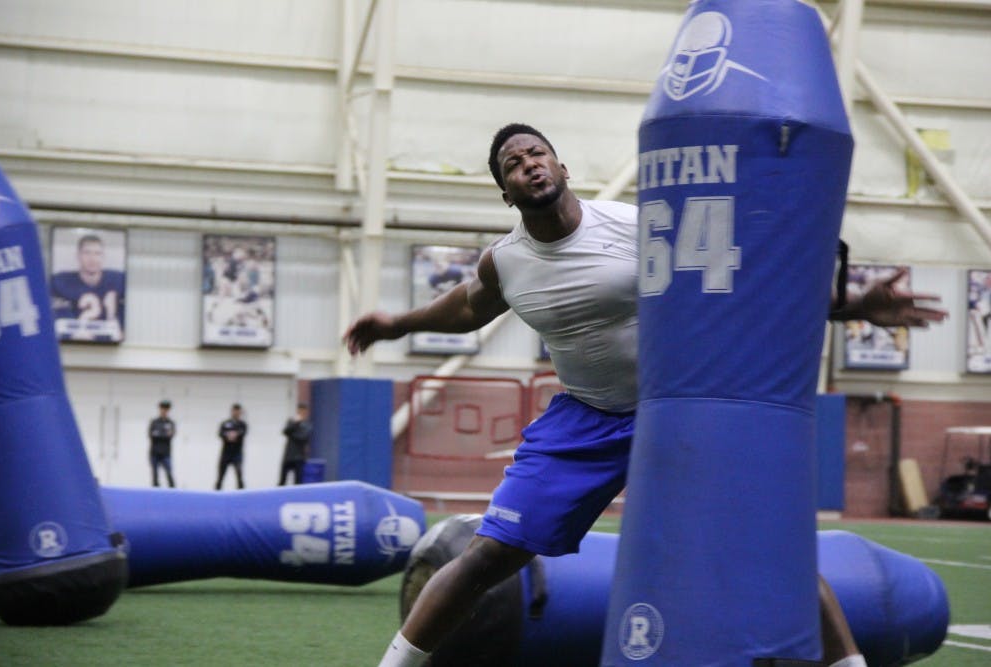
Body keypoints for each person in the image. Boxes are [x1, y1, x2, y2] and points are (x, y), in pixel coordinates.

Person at [344, 124, 947, 667]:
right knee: (488, 556)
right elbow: (468, 306)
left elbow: (743, 286)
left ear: (561, 167)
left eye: (538, 153)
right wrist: (397, 324)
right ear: (506, 191)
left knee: (767, 542)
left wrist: (853, 306)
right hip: (584, 420)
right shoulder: (506, 262)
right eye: (512, 163)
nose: (529, 164)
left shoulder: (638, 226)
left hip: (678, 410)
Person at [51, 233, 126, 342]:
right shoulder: (60, 282)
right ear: (78, 256)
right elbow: (58, 330)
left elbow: (124, 334)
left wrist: (112, 315)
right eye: (87, 253)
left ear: (103, 257)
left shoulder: (119, 280)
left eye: (97, 253)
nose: (92, 259)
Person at [215, 403, 247, 490]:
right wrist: (228, 435)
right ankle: (216, 496)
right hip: (225, 454)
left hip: (237, 454)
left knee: (239, 476)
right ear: (232, 411)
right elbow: (220, 433)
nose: (236, 413)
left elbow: (242, 433)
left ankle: (242, 497)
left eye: (238, 411)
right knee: (220, 477)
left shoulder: (242, 424)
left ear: (240, 412)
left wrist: (235, 435)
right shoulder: (225, 423)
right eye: (234, 411)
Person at [279, 403, 312, 485]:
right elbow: (285, 431)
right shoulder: (291, 421)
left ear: (306, 412)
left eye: (303, 411)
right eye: (299, 411)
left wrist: (292, 434)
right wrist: (296, 424)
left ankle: (297, 497)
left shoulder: (308, 424)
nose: (301, 413)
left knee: (298, 481)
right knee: (282, 481)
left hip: (299, 457)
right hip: (288, 456)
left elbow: (303, 437)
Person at [148, 400, 176, 488]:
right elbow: (152, 435)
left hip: (166, 453)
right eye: (162, 408)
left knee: (169, 473)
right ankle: (155, 493)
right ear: (160, 409)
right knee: (155, 476)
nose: (164, 410)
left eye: (166, 409)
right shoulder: (154, 422)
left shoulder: (170, 423)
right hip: (154, 452)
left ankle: (173, 493)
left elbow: (170, 436)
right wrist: (164, 434)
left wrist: (159, 433)